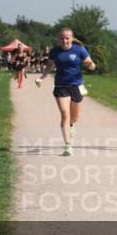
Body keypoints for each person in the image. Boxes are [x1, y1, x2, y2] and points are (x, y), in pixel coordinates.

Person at [36, 28, 97, 157]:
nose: (64, 40)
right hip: (60, 85)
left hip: (76, 85)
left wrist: (90, 64)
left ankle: (71, 125)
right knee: (65, 113)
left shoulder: (80, 50)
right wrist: (42, 77)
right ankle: (68, 145)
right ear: (59, 39)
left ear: (72, 38)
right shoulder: (55, 52)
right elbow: (49, 66)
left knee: (74, 118)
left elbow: (92, 66)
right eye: (62, 38)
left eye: (67, 38)